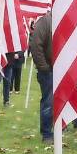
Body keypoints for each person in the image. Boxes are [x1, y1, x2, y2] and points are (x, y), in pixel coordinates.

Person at [30, 11, 53, 143]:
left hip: (60, 69)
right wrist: (44, 67)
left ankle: (58, 127)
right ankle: (47, 133)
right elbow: (35, 46)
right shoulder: (45, 21)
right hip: (48, 70)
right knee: (48, 102)